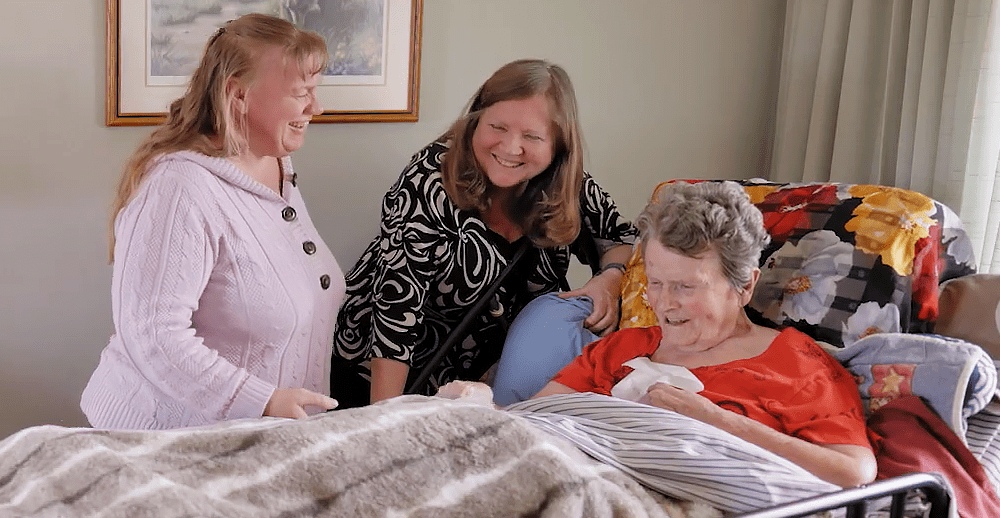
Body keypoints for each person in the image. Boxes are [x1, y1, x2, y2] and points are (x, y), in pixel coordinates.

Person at [80, 13, 344, 430]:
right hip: (162, 444)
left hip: (252, 443)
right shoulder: (178, 187)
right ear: (238, 95)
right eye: (302, 93)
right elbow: (154, 336)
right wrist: (264, 400)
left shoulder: (274, 165)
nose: (317, 107)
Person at [331, 59, 638, 408]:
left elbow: (623, 239)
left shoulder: (567, 185)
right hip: (376, 374)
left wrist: (610, 278)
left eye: (532, 137)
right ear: (476, 120)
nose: (510, 148)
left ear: (558, 145)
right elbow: (396, 309)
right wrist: (383, 418)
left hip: (476, 391)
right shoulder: (430, 179)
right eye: (498, 127)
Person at [532, 181, 877, 489]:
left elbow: (851, 471)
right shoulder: (621, 347)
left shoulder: (797, 363)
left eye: (685, 287)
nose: (665, 303)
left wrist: (713, 419)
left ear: (744, 286)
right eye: (656, 283)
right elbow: (530, 422)